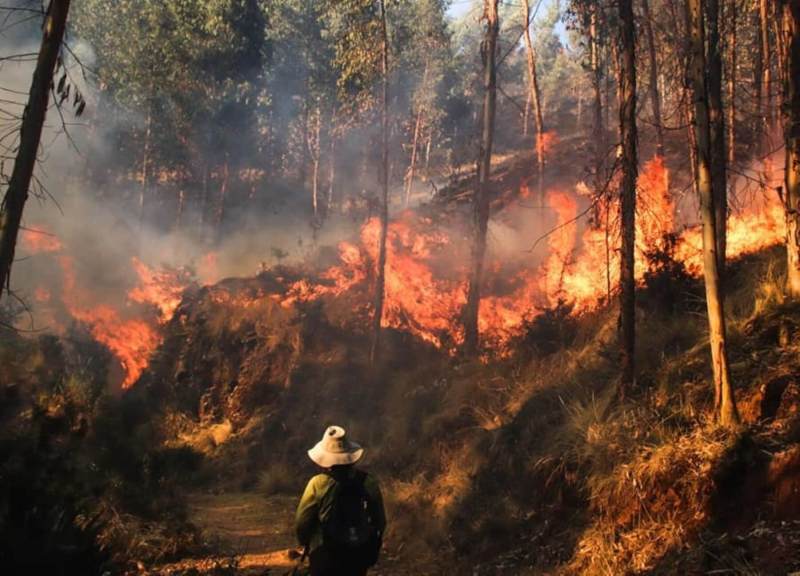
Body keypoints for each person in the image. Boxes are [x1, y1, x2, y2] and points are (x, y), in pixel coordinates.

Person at [295, 426, 386, 576]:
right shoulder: (368, 481)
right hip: (358, 553)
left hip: (324, 554)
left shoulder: (317, 483)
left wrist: (306, 543)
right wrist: (368, 541)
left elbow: (302, 522)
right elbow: (380, 521)